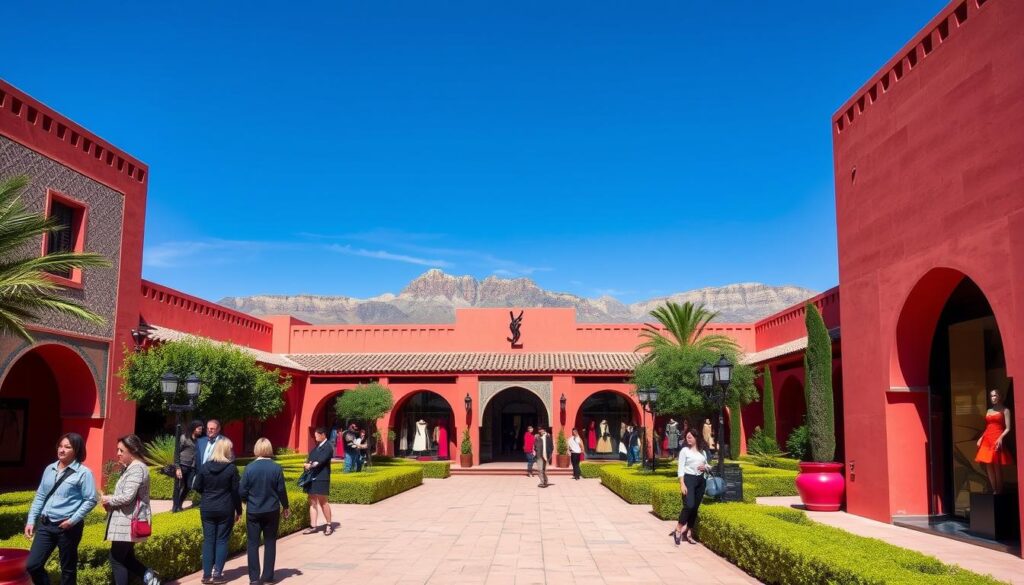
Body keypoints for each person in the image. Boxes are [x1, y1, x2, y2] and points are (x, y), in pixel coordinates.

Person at [25, 432, 99, 585]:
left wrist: (72, 521)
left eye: (67, 447)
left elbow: (91, 499)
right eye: (60, 446)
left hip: (67, 527)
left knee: (68, 570)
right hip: (46, 524)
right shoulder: (49, 468)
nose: (61, 450)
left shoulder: (84, 473)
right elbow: (40, 496)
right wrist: (31, 520)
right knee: (32, 565)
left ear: (76, 450)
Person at [102, 434, 160, 585]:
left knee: (116, 559)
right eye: (117, 450)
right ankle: (149, 576)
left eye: (121, 450)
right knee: (127, 558)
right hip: (127, 518)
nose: (118, 453)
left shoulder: (137, 469)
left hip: (127, 519)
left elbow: (127, 497)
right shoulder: (131, 468)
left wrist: (109, 499)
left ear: (132, 450)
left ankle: (149, 576)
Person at [240, 438, 291, 585]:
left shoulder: (249, 468)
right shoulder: (276, 468)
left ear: (256, 449)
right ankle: (268, 576)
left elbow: (242, 490)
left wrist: (245, 500)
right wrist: (285, 506)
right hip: (271, 509)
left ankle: (254, 578)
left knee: (252, 543)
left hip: (254, 510)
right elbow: (281, 490)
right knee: (270, 542)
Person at [193, 438, 242, 584]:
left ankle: (206, 575)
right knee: (221, 540)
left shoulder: (205, 467)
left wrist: (207, 494)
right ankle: (218, 574)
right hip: (225, 507)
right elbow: (235, 491)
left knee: (208, 540)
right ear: (227, 450)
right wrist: (239, 510)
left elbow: (197, 486)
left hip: (207, 507)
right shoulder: (231, 469)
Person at [670, 429, 708, 546]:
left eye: (690, 437)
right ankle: (678, 529)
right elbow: (680, 468)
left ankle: (689, 533)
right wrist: (682, 483)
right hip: (689, 480)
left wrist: (705, 467)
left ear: (696, 438)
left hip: (701, 480)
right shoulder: (684, 451)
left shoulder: (703, 452)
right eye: (687, 437)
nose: (688, 439)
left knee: (695, 508)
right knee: (689, 505)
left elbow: (706, 464)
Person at [976, 389, 1013, 494]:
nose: (993, 398)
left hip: (997, 437)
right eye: (991, 396)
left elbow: (1008, 428)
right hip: (987, 438)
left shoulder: (1005, 410)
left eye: (995, 395)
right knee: (988, 464)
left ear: (1000, 396)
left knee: (997, 464)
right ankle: (994, 489)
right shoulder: (988, 411)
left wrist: (1001, 438)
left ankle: (999, 490)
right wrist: (981, 437)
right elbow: (987, 427)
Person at [303, 427, 334, 535]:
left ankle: (329, 525)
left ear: (323, 434)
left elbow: (321, 461)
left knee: (323, 501)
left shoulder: (328, 447)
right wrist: (306, 464)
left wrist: (310, 465)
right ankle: (313, 526)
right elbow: (309, 459)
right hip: (312, 477)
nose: (315, 437)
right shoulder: (316, 447)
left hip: (322, 477)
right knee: (312, 501)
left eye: (317, 435)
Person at [173, 420, 204, 513]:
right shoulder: (184, 438)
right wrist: (177, 467)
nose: (200, 430)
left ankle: (180, 504)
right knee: (178, 486)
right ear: (194, 428)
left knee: (188, 486)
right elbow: (177, 452)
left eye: (201, 429)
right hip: (182, 466)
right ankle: (176, 507)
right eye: (199, 429)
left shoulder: (199, 440)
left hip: (192, 467)